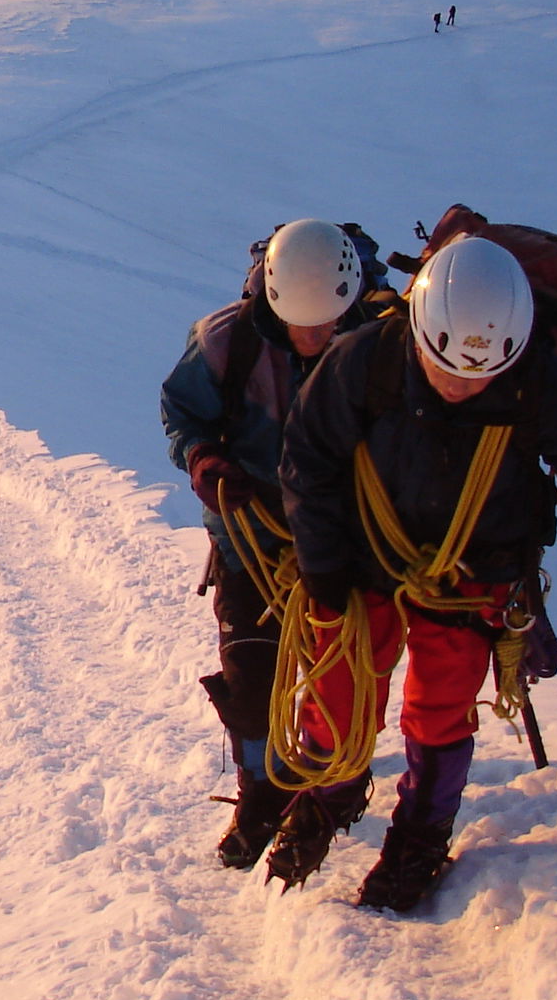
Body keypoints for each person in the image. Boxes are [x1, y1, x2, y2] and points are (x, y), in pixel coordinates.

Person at [273, 234, 557, 909]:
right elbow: (307, 459)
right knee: (337, 692)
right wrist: (323, 567)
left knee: (440, 709)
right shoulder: (365, 360)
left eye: (481, 375)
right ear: (418, 334)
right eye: (445, 368)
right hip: (365, 555)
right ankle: (329, 793)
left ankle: (421, 837)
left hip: (473, 571)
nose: (463, 387)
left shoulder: (539, 385)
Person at [161, 219, 390, 870]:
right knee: (251, 669)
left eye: (329, 325)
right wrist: (203, 459)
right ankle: (261, 788)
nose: (316, 339)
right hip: (250, 533)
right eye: (304, 326)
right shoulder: (225, 342)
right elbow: (183, 412)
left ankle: (327, 775)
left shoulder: (376, 345)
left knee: (342, 668)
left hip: (345, 537)